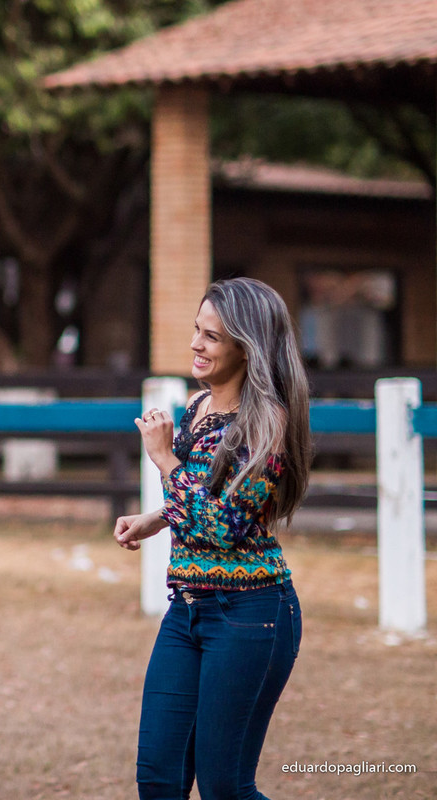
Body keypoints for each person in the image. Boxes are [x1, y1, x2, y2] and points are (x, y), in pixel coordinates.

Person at [112, 277, 312, 800]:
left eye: (213, 337)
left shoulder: (266, 423)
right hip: (188, 610)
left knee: (225, 787)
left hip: (251, 614)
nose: (196, 345)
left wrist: (163, 458)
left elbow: (225, 527)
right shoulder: (198, 406)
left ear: (248, 347)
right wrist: (156, 519)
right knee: (159, 780)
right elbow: (205, 499)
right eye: (196, 331)